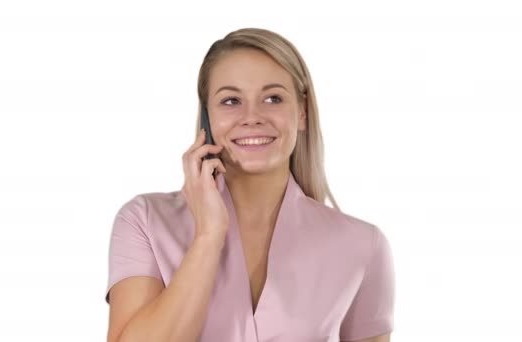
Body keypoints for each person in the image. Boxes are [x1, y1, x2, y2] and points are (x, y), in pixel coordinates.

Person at [105, 27, 395, 342]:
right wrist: (208, 236)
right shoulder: (144, 221)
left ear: (302, 112)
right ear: (207, 118)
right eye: (231, 101)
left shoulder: (363, 245)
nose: (252, 117)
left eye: (273, 98)